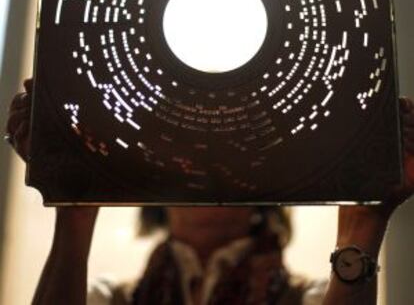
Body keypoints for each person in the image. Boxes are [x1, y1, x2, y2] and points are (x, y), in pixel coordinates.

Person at [5, 78, 414, 305]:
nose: (207, 168)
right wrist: (73, 201)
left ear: (265, 185)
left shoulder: (309, 298)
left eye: (230, 151)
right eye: (184, 149)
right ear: (155, 181)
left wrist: (365, 222)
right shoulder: (107, 297)